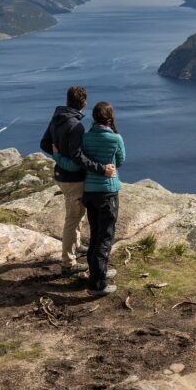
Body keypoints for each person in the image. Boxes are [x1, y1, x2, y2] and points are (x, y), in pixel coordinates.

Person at [40, 85, 115, 277]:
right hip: (72, 178)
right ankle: (68, 263)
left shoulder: (57, 118)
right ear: (84, 103)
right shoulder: (76, 126)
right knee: (72, 219)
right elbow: (78, 158)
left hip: (61, 176)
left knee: (78, 213)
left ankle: (78, 245)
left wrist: (58, 158)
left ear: (67, 101)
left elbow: (44, 144)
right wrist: (101, 169)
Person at [80, 101, 125, 296]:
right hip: (107, 193)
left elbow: (83, 159)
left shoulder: (86, 137)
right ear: (110, 117)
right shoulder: (115, 138)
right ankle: (97, 284)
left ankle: (97, 271)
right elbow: (121, 160)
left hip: (89, 191)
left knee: (95, 235)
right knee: (105, 238)